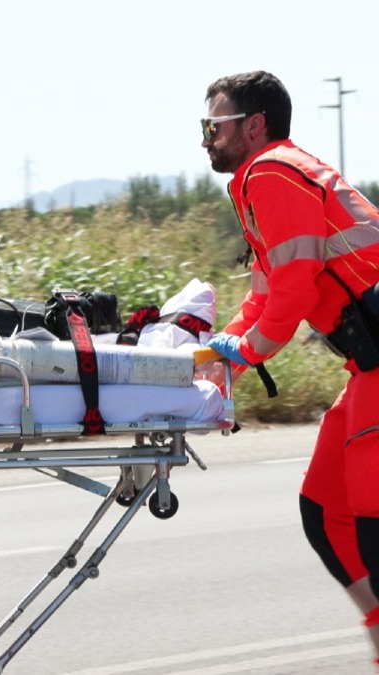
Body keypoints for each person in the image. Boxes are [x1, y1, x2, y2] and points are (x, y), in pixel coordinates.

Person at [201, 71, 379, 668]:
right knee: (326, 514)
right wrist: (217, 359)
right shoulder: (260, 181)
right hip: (367, 369)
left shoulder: (273, 171)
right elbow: (264, 295)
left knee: (375, 529)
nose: (206, 139)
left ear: (254, 125)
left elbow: (295, 294)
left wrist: (244, 355)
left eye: (214, 126)